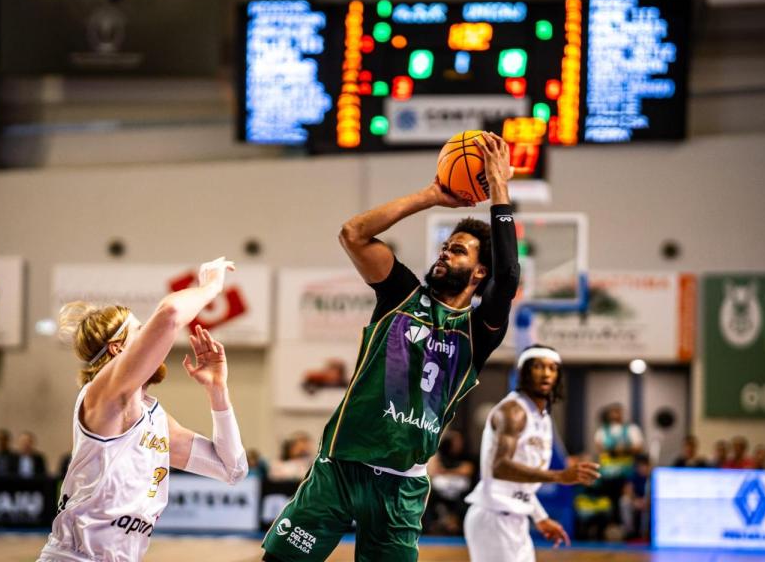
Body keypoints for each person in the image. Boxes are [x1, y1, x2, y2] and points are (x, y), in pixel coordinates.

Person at [262, 132, 521, 562]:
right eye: (445, 246)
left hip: (401, 487)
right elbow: (353, 234)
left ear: (478, 274)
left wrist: (498, 188)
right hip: (339, 469)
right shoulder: (401, 294)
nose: (444, 254)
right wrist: (431, 195)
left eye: (457, 251)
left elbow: (509, 276)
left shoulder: (478, 331)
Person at [38, 257, 248, 562]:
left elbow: (234, 470)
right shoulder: (104, 394)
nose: (153, 338)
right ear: (118, 349)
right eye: (141, 330)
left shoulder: (155, 421)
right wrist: (211, 287)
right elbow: (171, 313)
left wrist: (218, 391)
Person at [464, 345, 600, 561]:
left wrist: (540, 517)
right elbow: (500, 467)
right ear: (524, 372)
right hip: (494, 517)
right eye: (538, 366)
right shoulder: (513, 411)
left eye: (552, 368)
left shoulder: (542, 417)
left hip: (516, 518)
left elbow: (521, 485)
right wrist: (559, 476)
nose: (546, 373)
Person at [425, 430, 475, 535]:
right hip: (440, 491)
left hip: (461, 492)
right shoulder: (441, 454)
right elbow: (433, 471)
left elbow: (468, 469)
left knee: (465, 501)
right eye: (454, 440)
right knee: (428, 496)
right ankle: (430, 527)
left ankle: (459, 526)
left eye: (459, 440)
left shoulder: (465, 454)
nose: (457, 443)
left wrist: (446, 472)